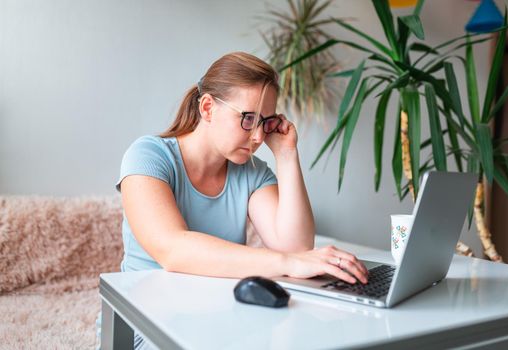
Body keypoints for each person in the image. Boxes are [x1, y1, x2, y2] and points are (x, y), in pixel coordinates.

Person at [108, 52, 368, 348]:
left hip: (223, 323)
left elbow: (296, 246)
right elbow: (173, 250)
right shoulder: (148, 156)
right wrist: (289, 262)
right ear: (207, 108)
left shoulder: (252, 172)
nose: (258, 136)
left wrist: (286, 154)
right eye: (247, 119)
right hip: (148, 326)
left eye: (265, 122)